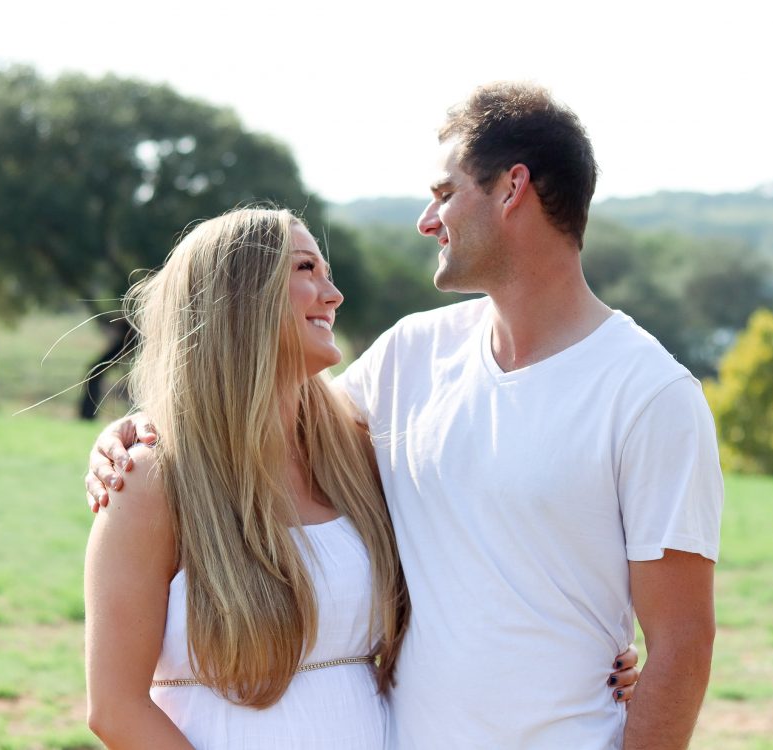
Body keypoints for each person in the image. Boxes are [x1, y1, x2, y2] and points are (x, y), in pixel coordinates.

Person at [90, 81, 715, 749]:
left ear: (511, 189)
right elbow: (250, 413)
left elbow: (681, 642)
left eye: (444, 194)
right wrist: (132, 434)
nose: (426, 219)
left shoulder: (649, 394)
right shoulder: (411, 357)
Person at [84, 208, 410, 748]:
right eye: (306, 268)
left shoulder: (356, 453)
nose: (333, 294)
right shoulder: (151, 481)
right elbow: (115, 709)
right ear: (241, 296)